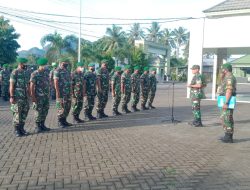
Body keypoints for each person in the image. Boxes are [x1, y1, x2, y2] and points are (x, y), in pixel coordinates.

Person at [9, 58, 30, 137]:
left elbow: (27, 85)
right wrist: (11, 96)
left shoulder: (25, 73)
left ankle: (21, 128)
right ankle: (17, 130)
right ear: (21, 64)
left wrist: (29, 95)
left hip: (24, 97)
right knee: (17, 113)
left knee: (25, 112)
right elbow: (11, 85)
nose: (26, 65)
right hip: (17, 97)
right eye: (25, 64)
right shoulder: (15, 72)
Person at [30, 58, 51, 133]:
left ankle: (42, 124)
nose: (47, 66)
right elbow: (32, 86)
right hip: (38, 96)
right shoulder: (34, 73)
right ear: (41, 65)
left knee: (45, 110)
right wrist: (33, 97)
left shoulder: (46, 73)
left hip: (46, 96)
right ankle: (37, 126)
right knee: (38, 111)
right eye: (46, 65)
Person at [218, 63, 237, 143]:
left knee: (227, 117)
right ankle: (227, 135)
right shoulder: (226, 77)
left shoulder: (229, 78)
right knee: (224, 117)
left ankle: (229, 137)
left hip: (227, 101)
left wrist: (226, 102)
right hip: (224, 99)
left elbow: (229, 90)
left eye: (222, 69)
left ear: (225, 69)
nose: (221, 70)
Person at [54, 58, 73, 128]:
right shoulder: (57, 71)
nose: (66, 64)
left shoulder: (67, 71)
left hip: (67, 92)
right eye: (64, 62)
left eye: (66, 62)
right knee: (61, 107)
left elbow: (70, 81)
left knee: (67, 106)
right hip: (61, 92)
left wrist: (71, 91)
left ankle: (64, 120)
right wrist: (57, 92)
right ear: (61, 62)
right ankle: (60, 121)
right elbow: (55, 82)